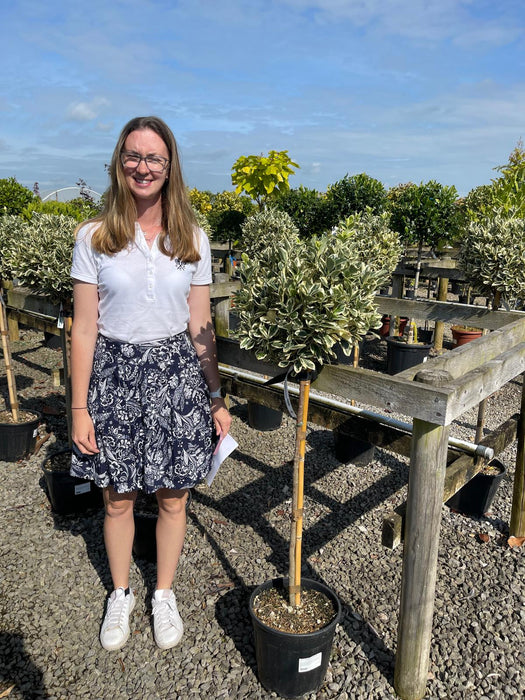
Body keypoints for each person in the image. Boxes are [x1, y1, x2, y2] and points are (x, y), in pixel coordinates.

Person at [69, 116, 231, 652]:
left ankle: (162, 592)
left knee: (173, 497)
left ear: (170, 167)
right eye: (134, 156)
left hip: (176, 376)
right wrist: (78, 408)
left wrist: (215, 396)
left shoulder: (193, 239)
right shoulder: (93, 237)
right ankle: (120, 593)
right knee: (116, 497)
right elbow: (86, 328)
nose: (144, 167)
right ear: (119, 162)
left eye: (155, 158)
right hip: (112, 378)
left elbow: (201, 326)